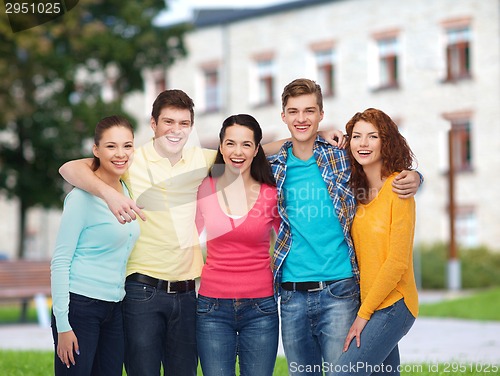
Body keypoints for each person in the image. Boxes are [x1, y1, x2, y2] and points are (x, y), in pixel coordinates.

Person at [267, 78, 422, 376]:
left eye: (310, 111)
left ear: (321, 113)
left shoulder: (340, 158)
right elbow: (241, 154)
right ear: (283, 116)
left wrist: (416, 176)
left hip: (340, 291)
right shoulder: (275, 166)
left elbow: (384, 167)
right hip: (291, 295)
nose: (302, 118)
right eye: (294, 112)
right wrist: (305, 137)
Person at [51, 115, 140, 375]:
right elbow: (60, 261)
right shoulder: (80, 198)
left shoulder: (127, 188)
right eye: (111, 146)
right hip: (80, 308)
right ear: (96, 151)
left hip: (115, 307)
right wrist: (63, 325)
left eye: (127, 145)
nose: (120, 154)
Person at [334, 108, 418, 376]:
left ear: (387, 141)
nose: (363, 143)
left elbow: (397, 262)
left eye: (372, 136)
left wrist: (363, 315)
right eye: (357, 136)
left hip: (394, 304)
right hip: (369, 302)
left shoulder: (399, 189)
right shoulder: (356, 192)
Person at [195, 114, 280, 376]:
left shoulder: (271, 193)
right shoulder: (204, 188)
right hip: (211, 309)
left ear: (257, 150)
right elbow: (184, 238)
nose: (237, 151)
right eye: (230, 143)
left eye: (246, 144)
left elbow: (288, 245)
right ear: (221, 147)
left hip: (261, 308)